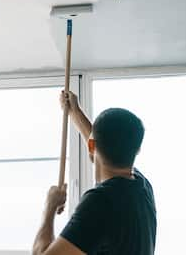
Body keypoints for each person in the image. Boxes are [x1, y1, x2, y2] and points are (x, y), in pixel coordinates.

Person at [32, 91, 156, 255]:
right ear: (137, 149)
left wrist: (50, 206)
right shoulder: (142, 186)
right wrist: (74, 111)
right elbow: (102, 149)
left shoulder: (101, 202)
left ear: (92, 145)